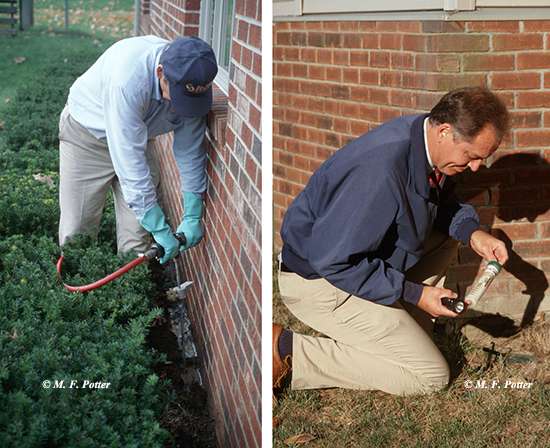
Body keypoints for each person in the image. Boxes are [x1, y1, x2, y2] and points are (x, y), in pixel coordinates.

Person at [274, 87, 510, 396]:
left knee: (446, 239)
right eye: (472, 156)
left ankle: (402, 334)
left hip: (354, 263)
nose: (476, 167)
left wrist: (472, 233)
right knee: (431, 376)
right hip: (320, 283)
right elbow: (333, 261)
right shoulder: (380, 171)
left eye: (482, 159)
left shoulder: (423, 142)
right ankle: (286, 352)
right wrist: (414, 293)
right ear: (444, 131)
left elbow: (440, 204)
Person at [58, 35, 217, 263]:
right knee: (77, 231)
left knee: (138, 240)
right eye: (179, 95)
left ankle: (127, 291)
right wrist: (161, 231)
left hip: (137, 137)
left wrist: (193, 214)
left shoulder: (193, 85)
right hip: (87, 138)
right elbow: (130, 163)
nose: (181, 105)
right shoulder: (128, 81)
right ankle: (78, 290)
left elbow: (190, 150)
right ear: (160, 72)